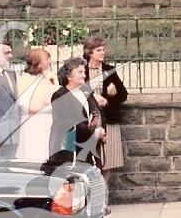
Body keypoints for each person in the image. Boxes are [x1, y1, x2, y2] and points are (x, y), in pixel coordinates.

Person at [84, 35, 128, 186]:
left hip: (108, 119)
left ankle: (103, 195)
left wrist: (109, 97)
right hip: (90, 120)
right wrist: (93, 98)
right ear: (90, 52)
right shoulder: (82, 70)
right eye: (98, 50)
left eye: (103, 49)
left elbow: (123, 95)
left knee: (108, 159)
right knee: (91, 158)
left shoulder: (109, 70)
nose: (102, 52)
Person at [50, 57, 105, 166]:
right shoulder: (60, 95)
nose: (84, 75)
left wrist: (101, 128)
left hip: (88, 148)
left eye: (84, 71)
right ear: (69, 75)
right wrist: (93, 133)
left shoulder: (85, 90)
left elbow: (97, 111)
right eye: (80, 72)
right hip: (70, 149)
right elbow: (68, 123)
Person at [15, 47, 58, 163]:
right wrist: (48, 108)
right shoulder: (24, 79)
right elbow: (26, 106)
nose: (49, 62)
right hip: (32, 123)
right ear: (36, 62)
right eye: (46, 59)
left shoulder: (50, 77)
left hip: (47, 122)